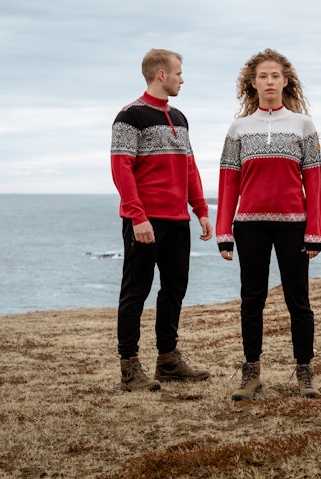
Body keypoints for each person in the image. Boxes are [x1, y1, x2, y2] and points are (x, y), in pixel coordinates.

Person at [216, 48, 321, 400]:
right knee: (252, 299)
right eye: (263, 76)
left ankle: (305, 371)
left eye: (275, 75)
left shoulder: (303, 125)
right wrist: (223, 232)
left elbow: (315, 181)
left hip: (293, 224)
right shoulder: (239, 129)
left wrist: (314, 231)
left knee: (299, 301)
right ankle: (251, 374)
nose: (269, 81)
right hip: (249, 226)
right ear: (252, 83)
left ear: (286, 81)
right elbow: (228, 182)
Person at [111, 48, 212, 392]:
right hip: (144, 220)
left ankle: (168, 360)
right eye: (179, 73)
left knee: (174, 289)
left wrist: (200, 210)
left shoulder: (180, 118)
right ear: (160, 74)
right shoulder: (129, 116)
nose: (182, 79)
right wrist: (137, 217)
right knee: (135, 291)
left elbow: (189, 168)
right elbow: (121, 169)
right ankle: (129, 367)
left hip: (177, 220)